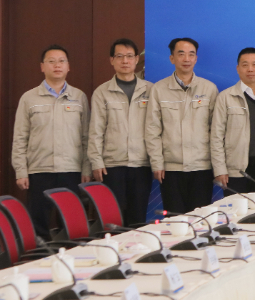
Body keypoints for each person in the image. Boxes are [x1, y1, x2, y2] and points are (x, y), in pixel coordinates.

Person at [11, 45, 90, 239]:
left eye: (62, 61)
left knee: (72, 226)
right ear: (42, 67)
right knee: (38, 225)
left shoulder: (79, 97)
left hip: (71, 170)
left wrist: (86, 169)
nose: (57, 65)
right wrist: (21, 170)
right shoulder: (29, 98)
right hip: (39, 170)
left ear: (68, 66)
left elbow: (87, 137)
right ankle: (41, 256)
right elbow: (20, 137)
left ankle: (70, 257)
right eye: (51, 61)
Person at [146, 38, 220, 215]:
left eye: (191, 54)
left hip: (202, 167)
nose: (186, 59)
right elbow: (152, 130)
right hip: (170, 169)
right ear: (172, 58)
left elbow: (216, 131)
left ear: (196, 58)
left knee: (200, 219)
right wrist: (157, 163)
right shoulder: (159, 89)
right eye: (181, 54)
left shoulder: (209, 89)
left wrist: (217, 166)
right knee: (175, 219)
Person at [87, 38, 152, 226]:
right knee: (113, 220)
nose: (125, 61)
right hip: (112, 165)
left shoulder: (150, 90)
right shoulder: (102, 92)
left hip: (142, 164)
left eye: (130, 56)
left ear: (136, 59)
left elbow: (156, 128)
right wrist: (96, 161)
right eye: (120, 56)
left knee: (138, 219)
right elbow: (96, 130)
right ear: (111, 60)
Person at [211, 48, 255, 196]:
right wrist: (220, 169)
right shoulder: (225, 97)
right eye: (245, 65)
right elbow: (216, 136)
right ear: (238, 68)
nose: (250, 69)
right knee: (236, 209)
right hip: (235, 171)